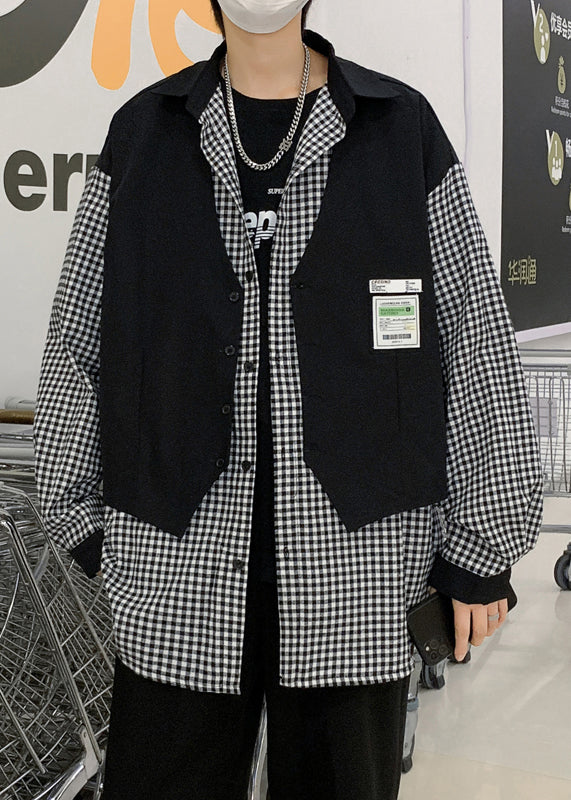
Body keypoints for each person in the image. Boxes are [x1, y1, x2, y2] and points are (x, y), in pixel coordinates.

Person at [33, 2, 543, 798]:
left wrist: (480, 548)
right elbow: (79, 335)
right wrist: (83, 517)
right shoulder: (143, 134)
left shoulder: (398, 128)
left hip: (359, 574)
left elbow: (473, 337)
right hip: (175, 569)